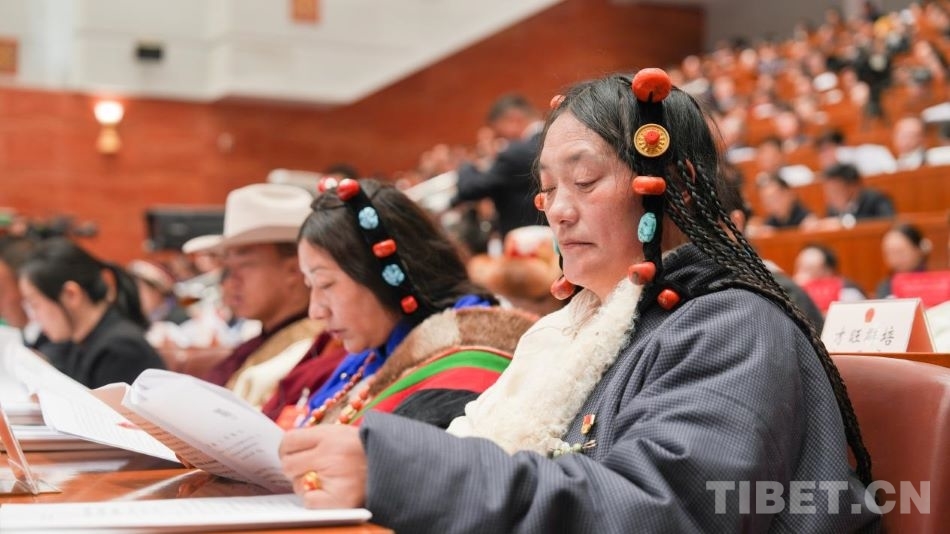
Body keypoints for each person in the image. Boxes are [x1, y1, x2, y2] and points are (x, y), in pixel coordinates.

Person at [279, 70, 879, 532]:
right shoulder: (571, 330)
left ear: (674, 184)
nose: (559, 210)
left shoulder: (732, 325)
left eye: (585, 181)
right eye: (548, 189)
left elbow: (654, 513)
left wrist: (404, 472)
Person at [294, 178, 535, 428]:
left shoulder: (469, 360)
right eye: (310, 285)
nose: (315, 311)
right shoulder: (372, 353)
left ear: (384, 275)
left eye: (325, 284)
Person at [193, 183, 341, 411]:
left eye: (244, 266)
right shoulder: (258, 343)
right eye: (227, 270)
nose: (230, 282)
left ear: (294, 270)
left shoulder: (318, 348)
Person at [18, 238, 165, 388]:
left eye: (35, 304)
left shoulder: (120, 350)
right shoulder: (82, 342)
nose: (34, 317)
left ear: (71, 295)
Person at [451, 94, 546, 236]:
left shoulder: (514, 153)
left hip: (526, 239)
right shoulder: (553, 136)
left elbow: (469, 189)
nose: (502, 139)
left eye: (500, 133)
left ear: (514, 119)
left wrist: (467, 165)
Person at [821, 162, 895, 224]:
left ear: (852, 187)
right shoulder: (832, 210)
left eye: (834, 191)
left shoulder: (877, 200)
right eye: (828, 192)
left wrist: (843, 222)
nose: (830, 198)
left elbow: (887, 223)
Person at [875, 222, 931, 298]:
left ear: (918, 250)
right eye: (890, 253)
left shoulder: (935, 284)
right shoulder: (885, 287)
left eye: (900, 252)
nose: (895, 259)